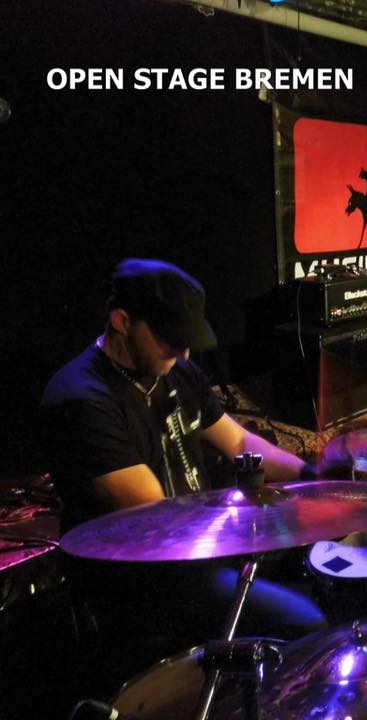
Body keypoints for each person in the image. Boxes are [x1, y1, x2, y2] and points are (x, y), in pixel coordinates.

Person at [39, 258, 325, 701]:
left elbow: (239, 441)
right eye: (170, 340)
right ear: (122, 321)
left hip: (201, 553)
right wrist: (249, 517)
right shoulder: (82, 399)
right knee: (305, 622)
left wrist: (315, 479)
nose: (184, 355)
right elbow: (158, 514)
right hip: (142, 584)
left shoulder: (175, 369)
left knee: (332, 569)